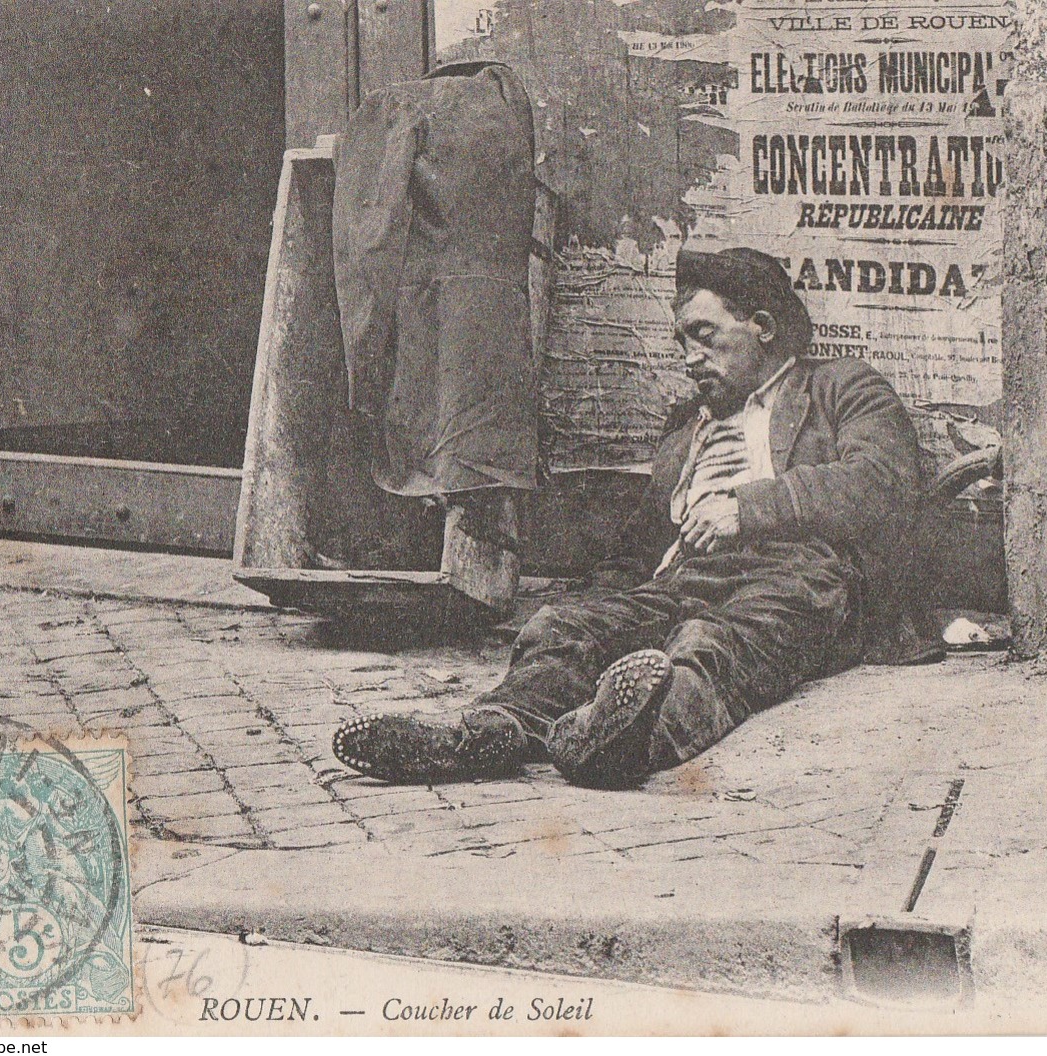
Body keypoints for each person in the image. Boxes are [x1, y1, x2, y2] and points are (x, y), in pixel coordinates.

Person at [332, 246, 940, 789]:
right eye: (682, 343)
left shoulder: (841, 388)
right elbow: (641, 547)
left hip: (797, 578)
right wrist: (598, 606)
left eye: (705, 335)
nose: (690, 358)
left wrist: (748, 508)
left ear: (763, 328)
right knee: (562, 628)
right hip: (682, 579)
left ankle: (622, 744)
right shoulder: (685, 432)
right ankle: (494, 731)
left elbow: (884, 483)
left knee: (707, 646)